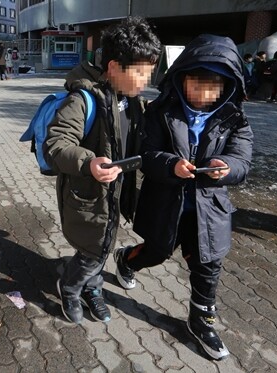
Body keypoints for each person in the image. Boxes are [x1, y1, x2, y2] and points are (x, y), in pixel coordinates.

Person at [113, 34, 253, 360]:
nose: (205, 95)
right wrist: (171, 165)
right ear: (182, 77)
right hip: (166, 203)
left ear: (227, 85)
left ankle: (201, 320)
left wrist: (226, 167)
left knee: (208, 264)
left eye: (214, 86)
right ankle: (126, 259)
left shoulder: (235, 119)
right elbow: (146, 154)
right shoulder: (160, 111)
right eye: (197, 84)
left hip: (209, 209)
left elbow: (242, 161)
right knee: (157, 252)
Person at [43, 17, 161, 324]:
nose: (144, 81)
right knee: (91, 252)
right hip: (88, 196)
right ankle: (69, 286)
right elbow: (56, 143)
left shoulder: (131, 100)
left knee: (103, 247)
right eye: (139, 73)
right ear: (113, 67)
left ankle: (91, 287)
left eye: (149, 74)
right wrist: (88, 162)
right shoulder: (82, 99)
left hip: (115, 196)